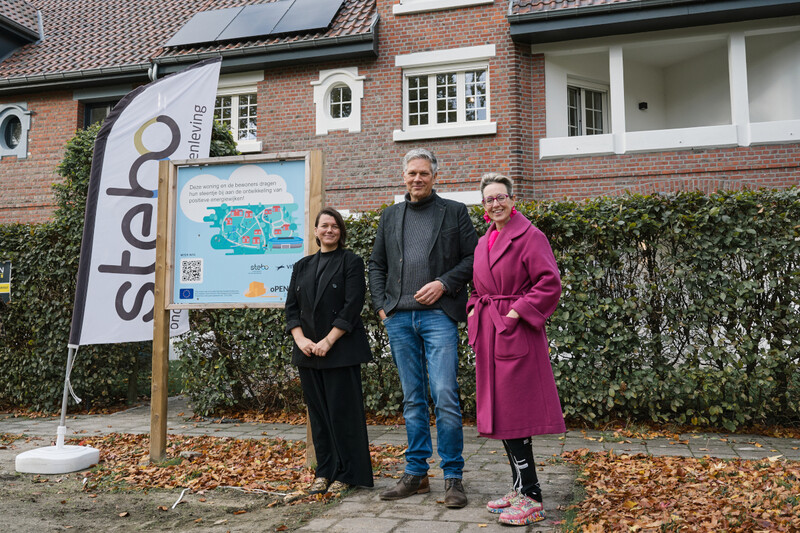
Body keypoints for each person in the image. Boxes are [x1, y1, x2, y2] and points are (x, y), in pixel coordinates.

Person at [369, 148, 478, 508]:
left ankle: (452, 478)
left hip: (438, 317)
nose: (418, 179)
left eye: (424, 174)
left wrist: (444, 283)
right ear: (404, 176)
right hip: (399, 317)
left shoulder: (454, 212)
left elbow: (473, 258)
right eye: (412, 173)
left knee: (445, 394)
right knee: (412, 398)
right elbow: (376, 265)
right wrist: (384, 307)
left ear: (435, 177)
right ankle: (416, 475)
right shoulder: (390, 216)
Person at [466, 173, 565, 526]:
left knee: (517, 413)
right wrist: (476, 310)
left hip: (516, 333)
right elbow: (477, 289)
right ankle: (519, 487)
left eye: (501, 197)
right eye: (489, 199)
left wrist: (514, 312)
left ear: (512, 199)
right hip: (491, 334)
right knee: (503, 414)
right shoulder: (482, 242)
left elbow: (549, 282)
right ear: (483, 206)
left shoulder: (530, 236)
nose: (496, 204)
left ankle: (533, 497)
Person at [285, 207, 374, 495]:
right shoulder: (302, 265)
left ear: (341, 231)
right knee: (320, 417)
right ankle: (324, 472)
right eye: (324, 225)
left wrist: (328, 340)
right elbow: (291, 309)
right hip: (308, 354)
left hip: (340, 351)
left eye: (335, 226)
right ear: (315, 230)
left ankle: (348, 474)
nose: (329, 230)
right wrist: (301, 340)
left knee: (343, 415)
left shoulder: (351, 261)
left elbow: (353, 304)